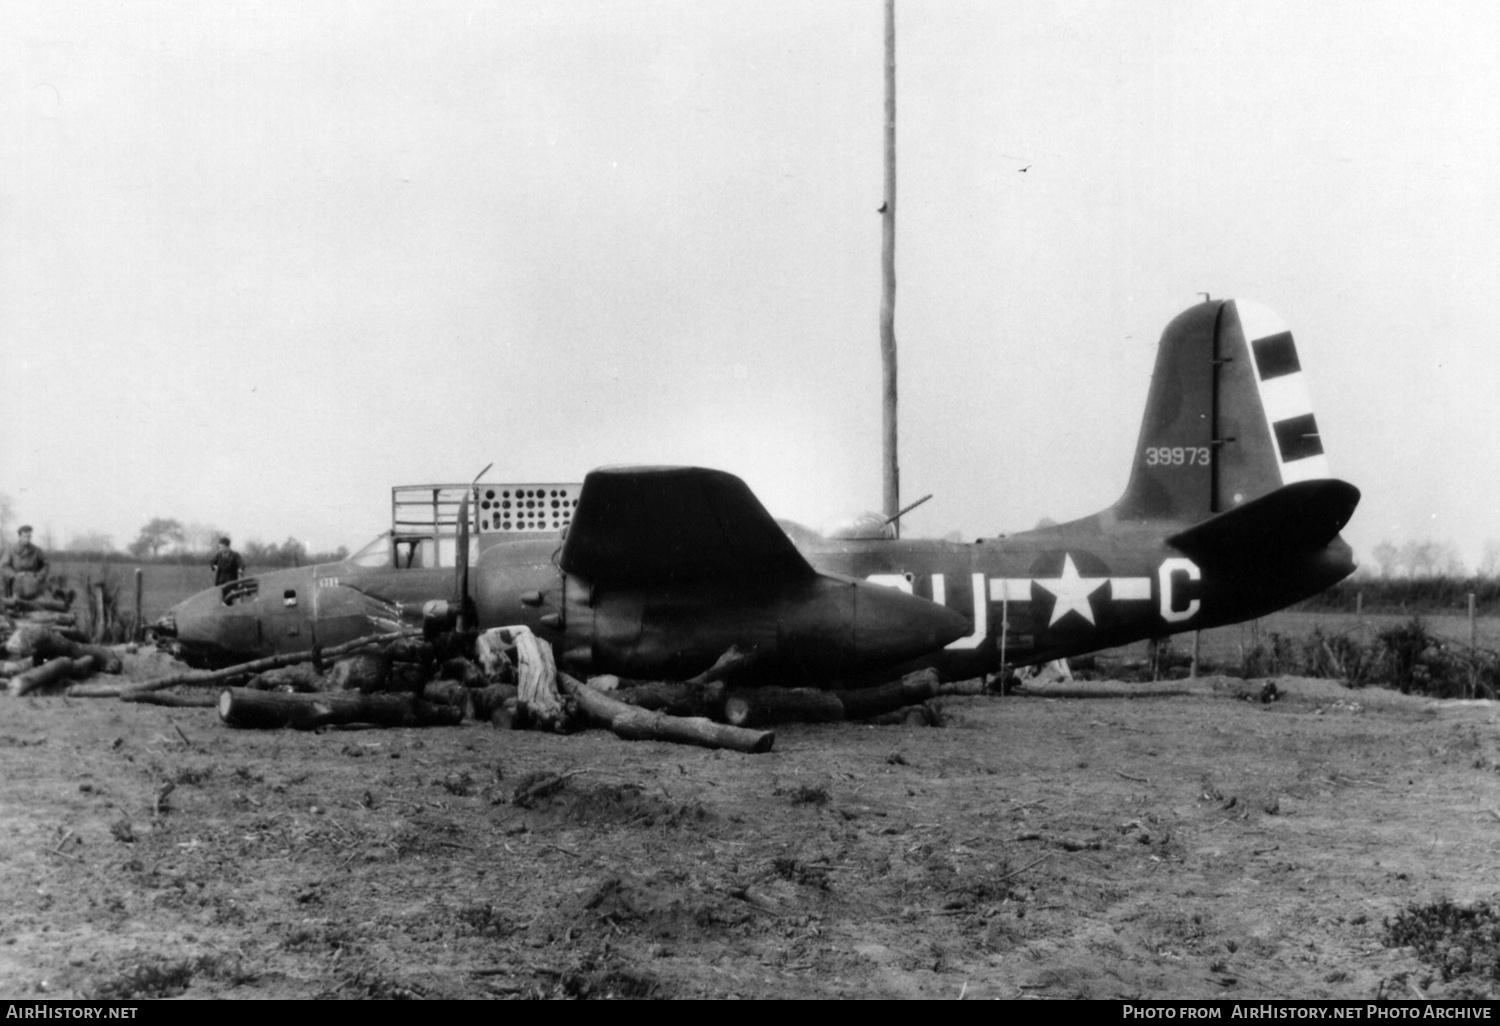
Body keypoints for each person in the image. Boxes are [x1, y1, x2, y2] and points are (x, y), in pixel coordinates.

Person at [2, 525, 49, 599]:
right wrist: (14, 575)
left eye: (29, 537)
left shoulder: (36, 550)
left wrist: (39, 577)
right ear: (20, 537)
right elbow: (4, 566)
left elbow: (45, 565)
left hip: (34, 586)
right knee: (15, 607)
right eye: (25, 537)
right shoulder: (11, 550)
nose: (27, 539)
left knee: (39, 607)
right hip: (17, 586)